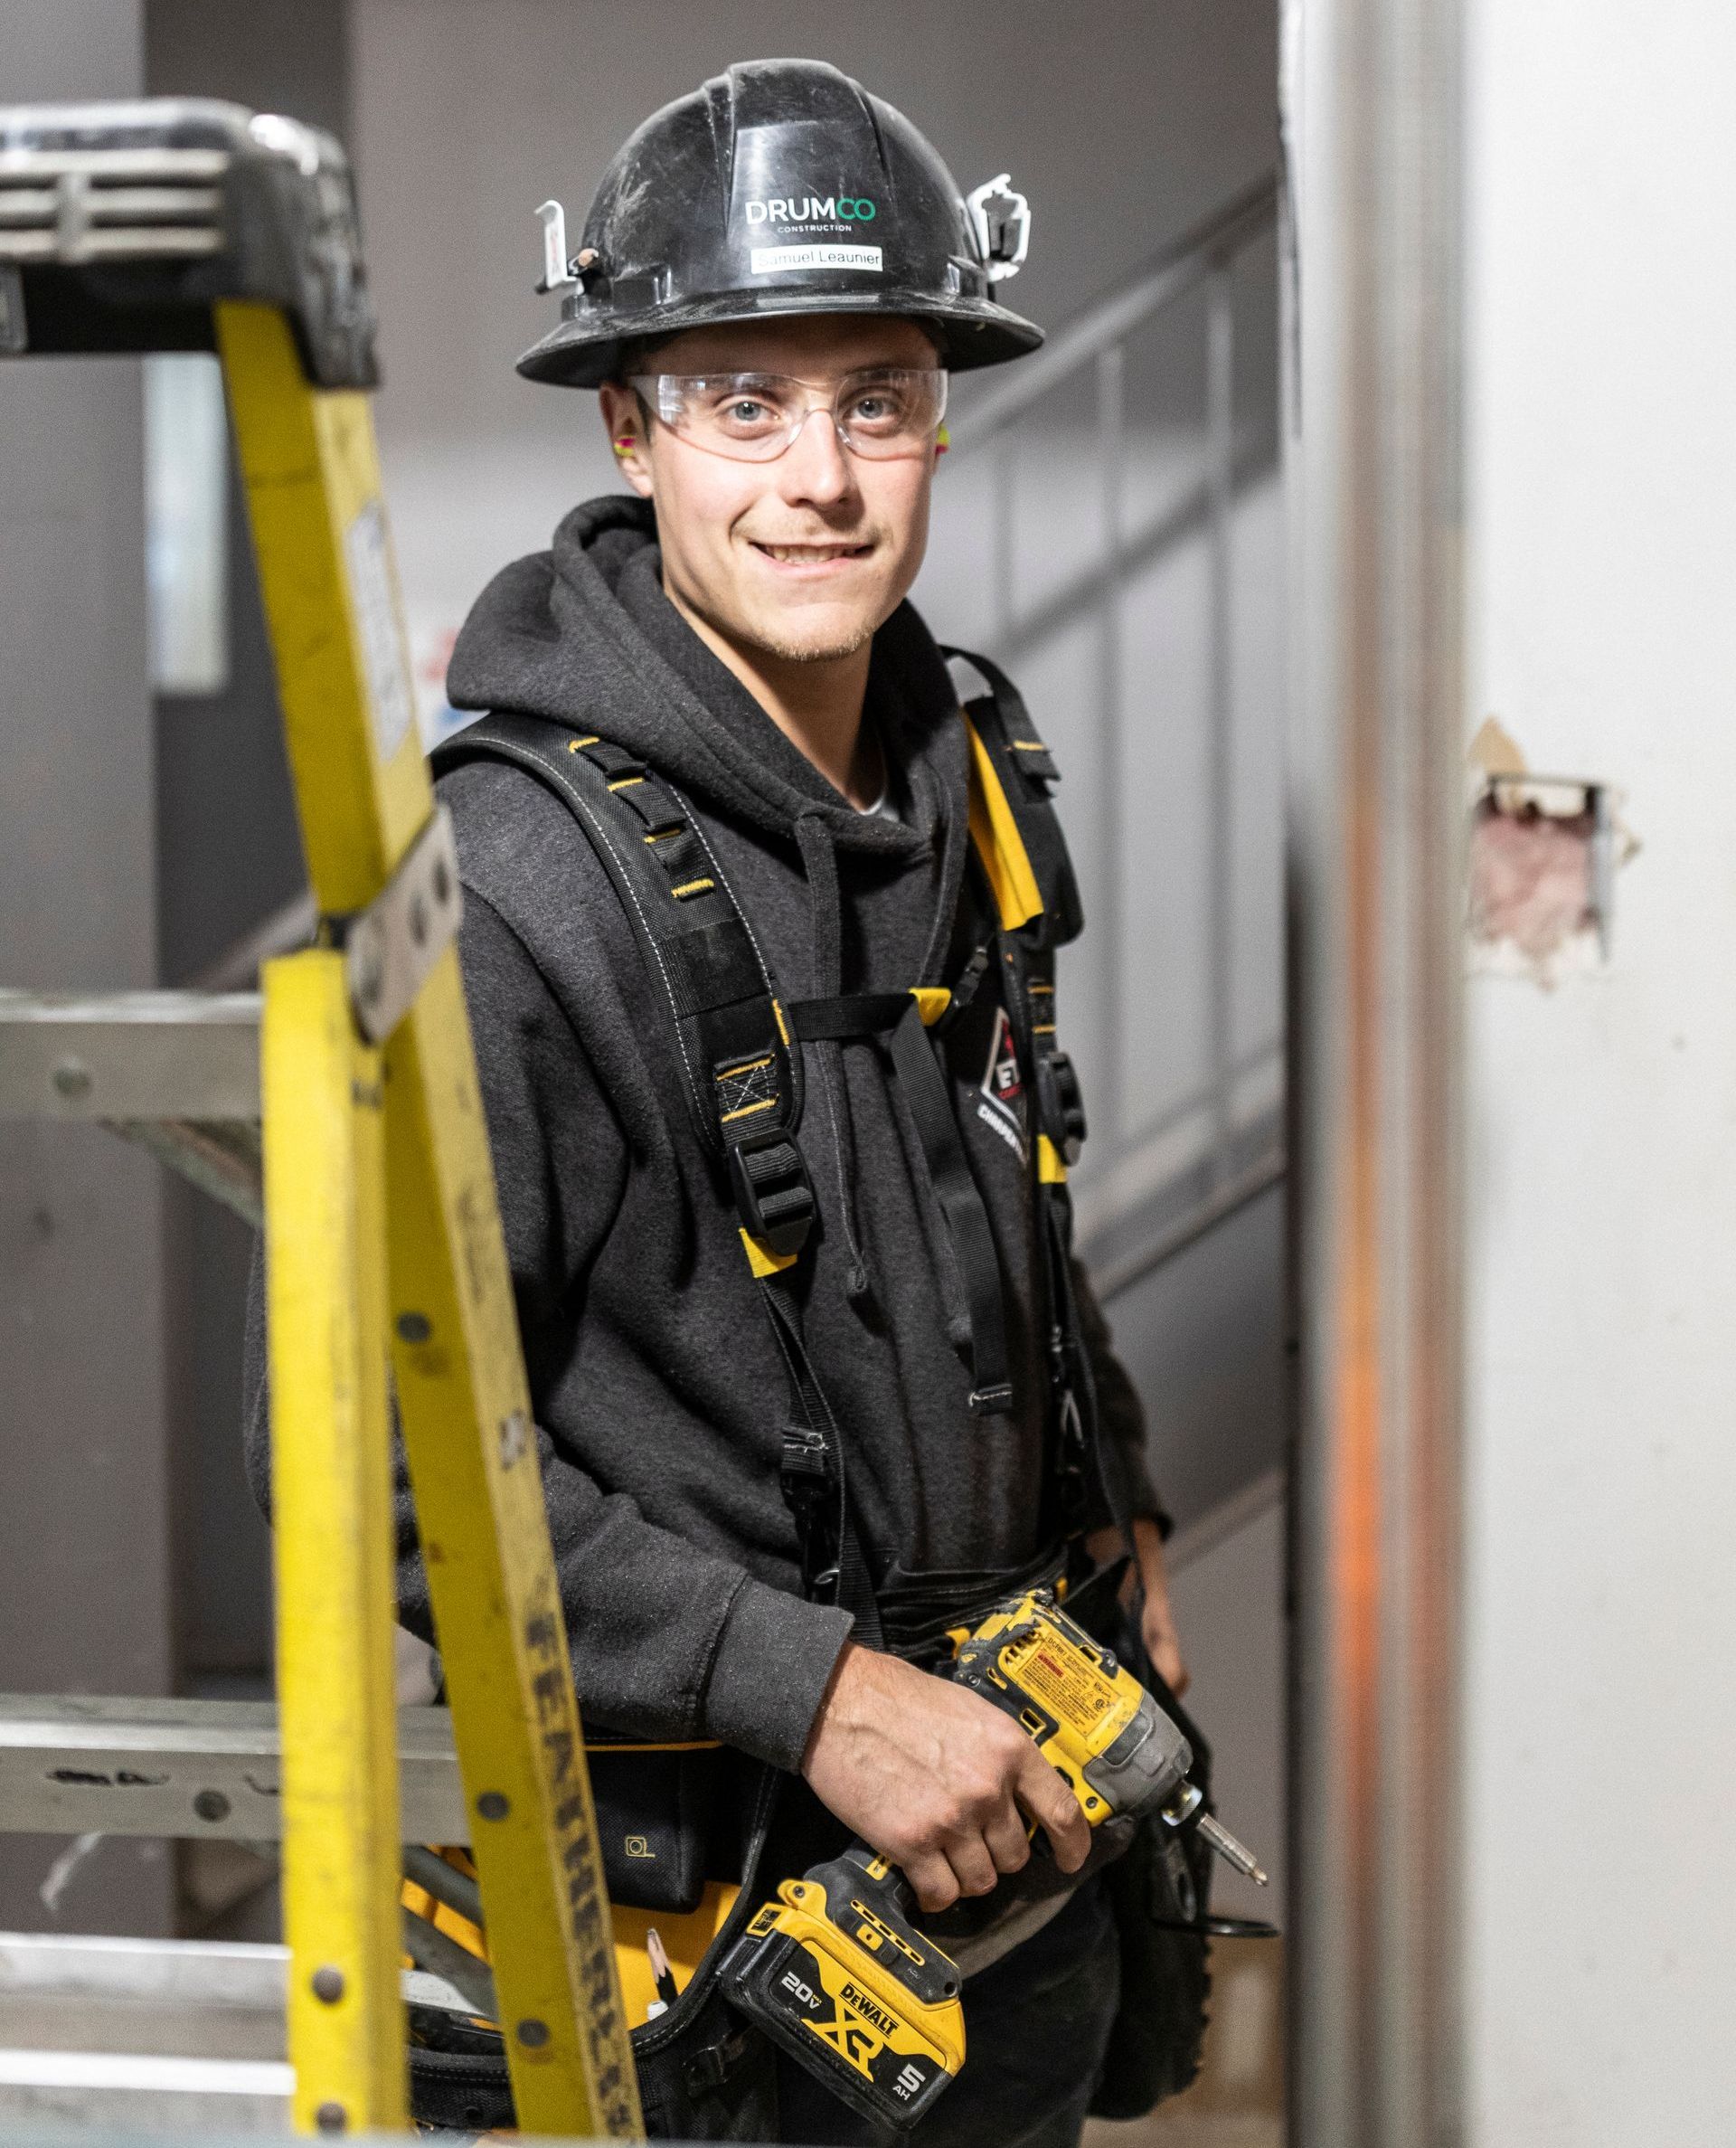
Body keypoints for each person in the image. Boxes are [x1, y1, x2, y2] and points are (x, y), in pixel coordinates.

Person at [247, 54, 1189, 2148]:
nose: (819, 478)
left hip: (995, 1899)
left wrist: (1108, 1492)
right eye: (743, 404)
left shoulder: (964, 775)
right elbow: (360, 1465)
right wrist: (816, 1694)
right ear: (629, 430)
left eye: (876, 398)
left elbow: (1003, 1174)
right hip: (679, 1973)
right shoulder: (501, 891)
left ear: (939, 416)